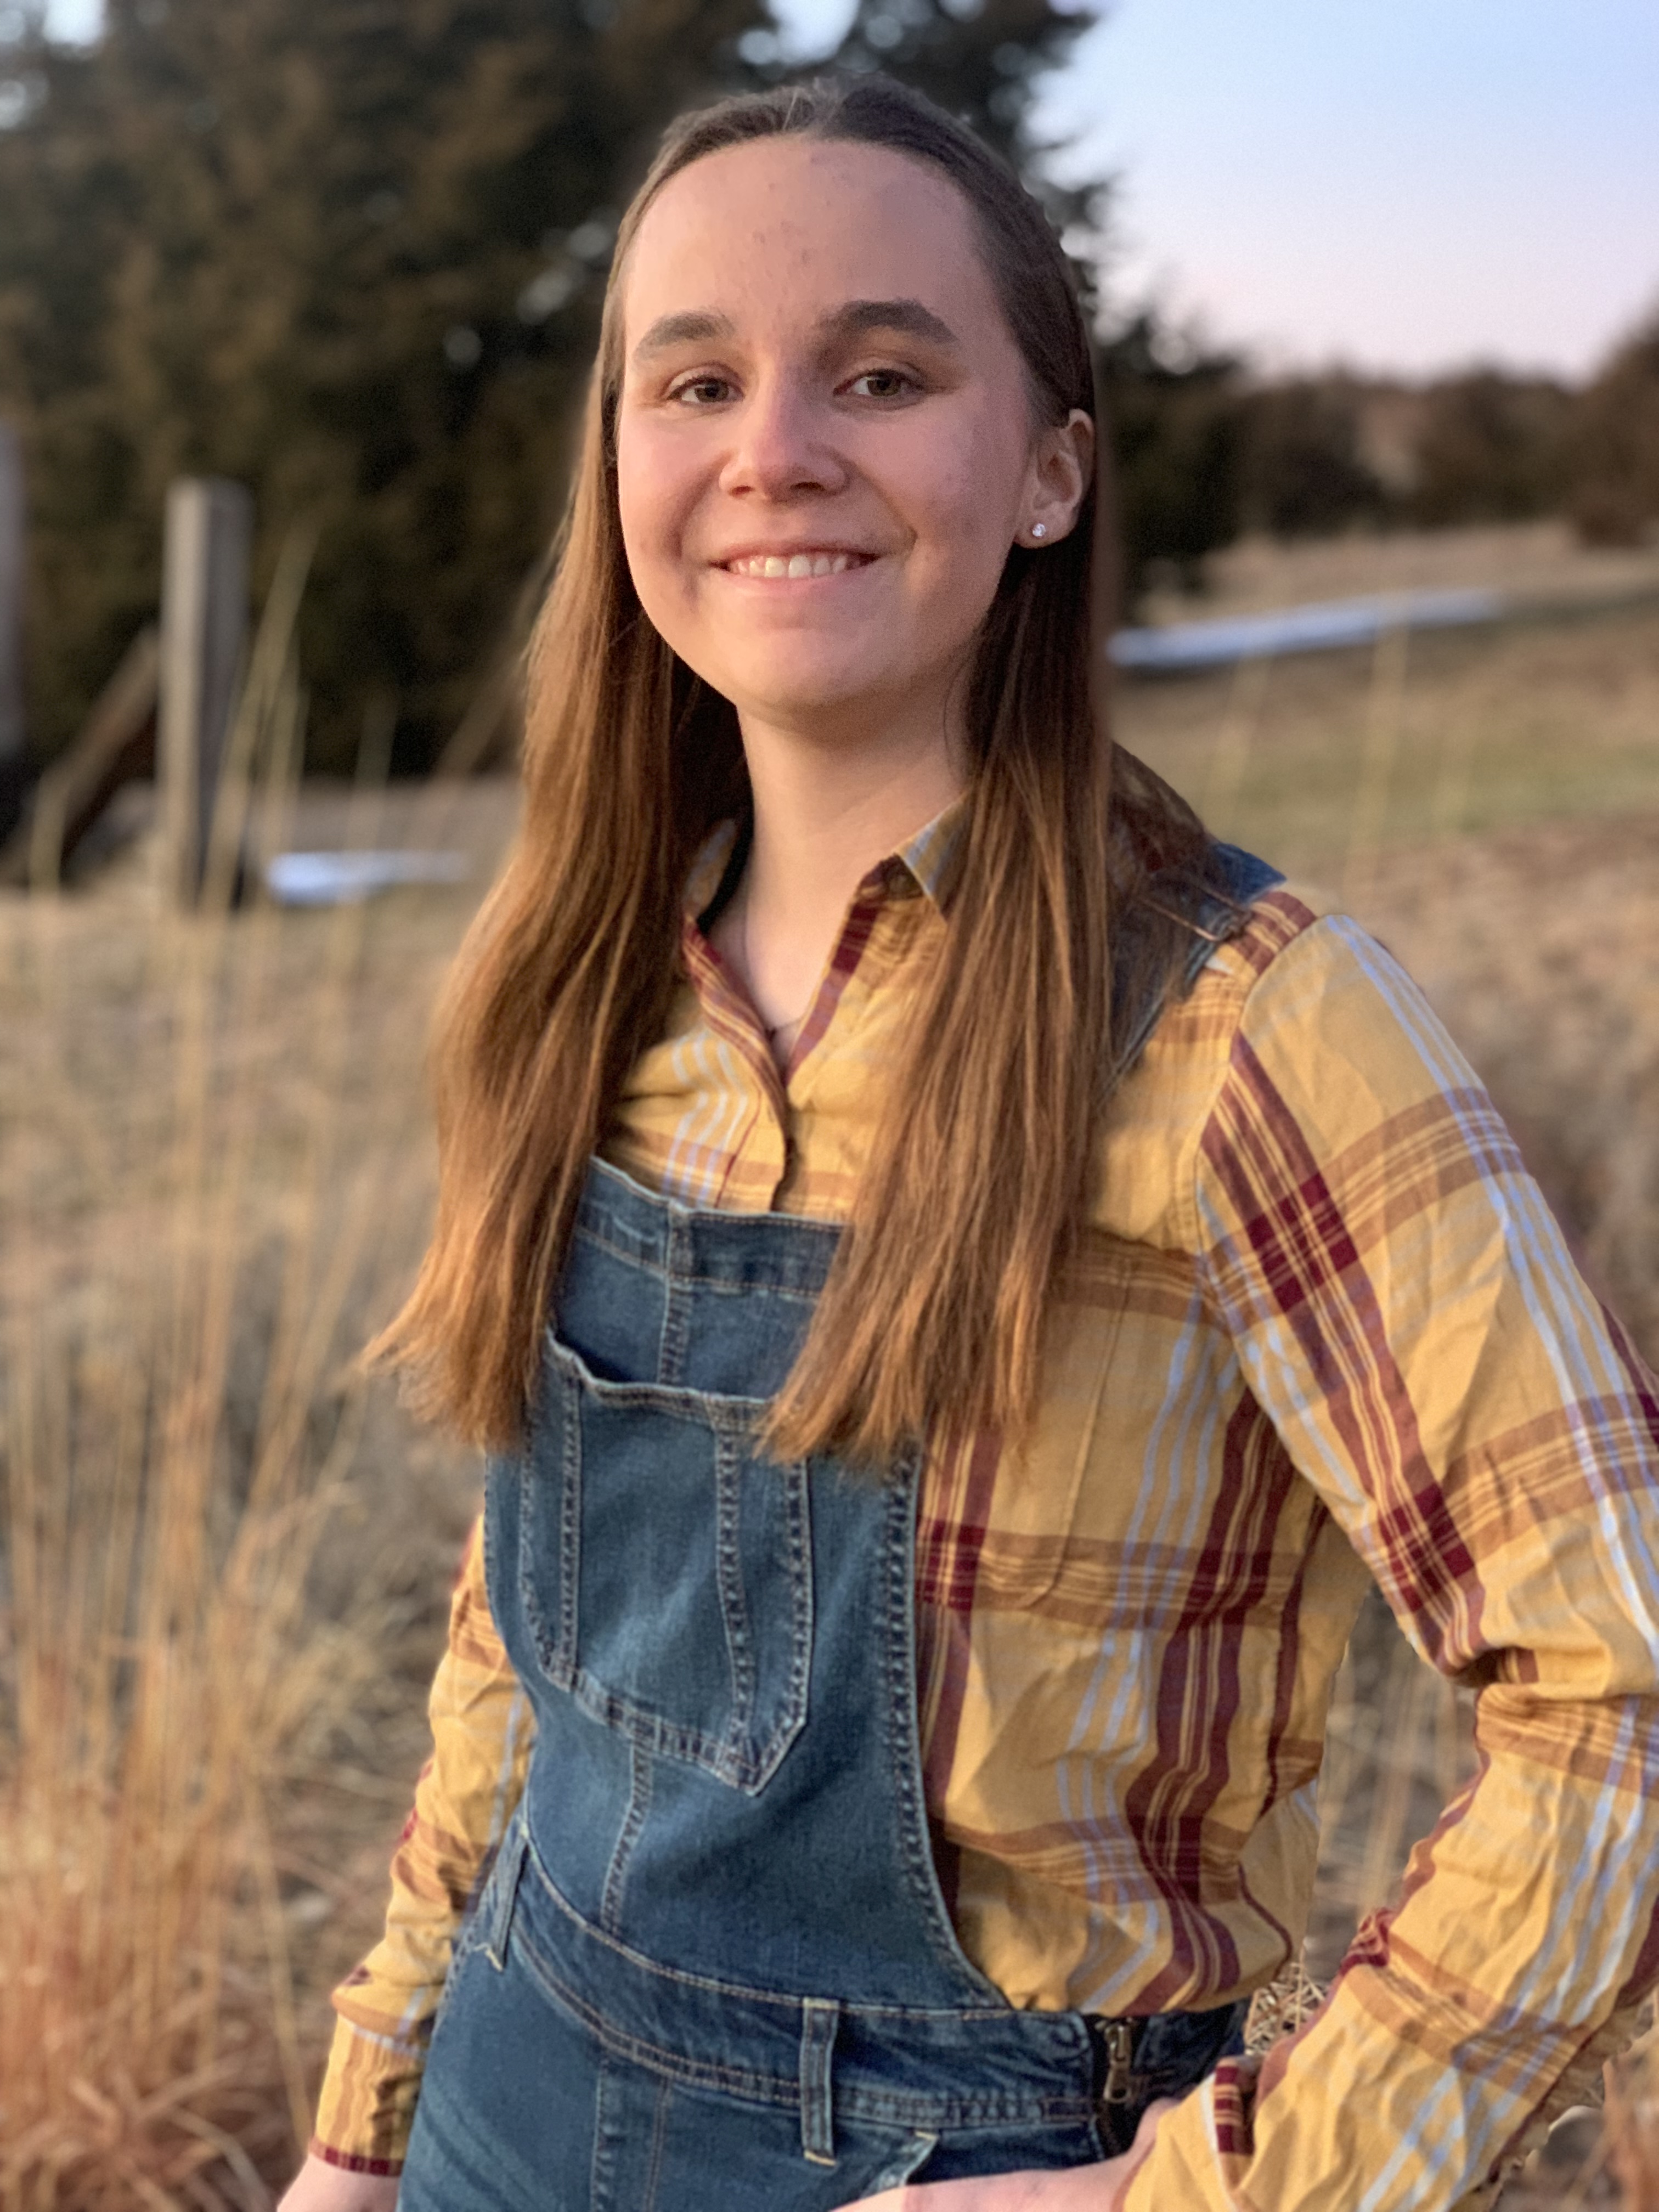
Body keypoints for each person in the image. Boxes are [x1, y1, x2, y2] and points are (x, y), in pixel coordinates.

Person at [278, 74, 1659, 2212]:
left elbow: (1623, 1691)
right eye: (697, 381)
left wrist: (1202, 2197)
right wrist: (368, 2126)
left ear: (1047, 472)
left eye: (883, 375)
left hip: (945, 2158)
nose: (774, 449)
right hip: (504, 2095)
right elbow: (526, 1650)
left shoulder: (1247, 1027)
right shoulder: (584, 983)